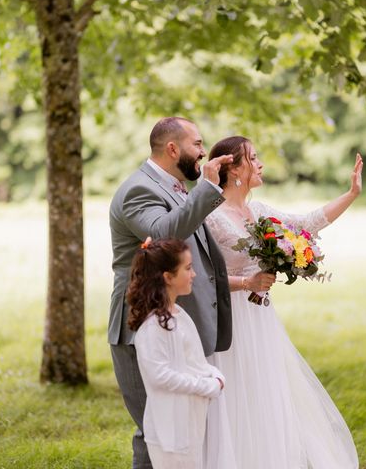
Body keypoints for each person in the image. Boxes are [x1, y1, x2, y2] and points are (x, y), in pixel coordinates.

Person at [204, 136, 363, 469]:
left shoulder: (259, 211)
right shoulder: (211, 214)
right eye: (254, 157)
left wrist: (350, 195)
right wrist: (245, 282)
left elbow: (305, 224)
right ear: (233, 167)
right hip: (230, 322)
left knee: (269, 396)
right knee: (237, 399)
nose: (260, 164)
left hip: (261, 319)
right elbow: (204, 276)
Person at [108, 117, 257, 468]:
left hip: (173, 321)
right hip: (140, 325)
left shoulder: (176, 188)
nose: (204, 152)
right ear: (173, 149)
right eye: (198, 144)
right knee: (154, 429)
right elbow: (164, 236)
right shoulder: (138, 190)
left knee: (182, 428)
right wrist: (207, 187)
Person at [127, 237, 227, 469]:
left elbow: (193, 360)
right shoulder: (154, 326)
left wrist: (214, 374)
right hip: (169, 430)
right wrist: (207, 386)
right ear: (168, 277)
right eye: (188, 268)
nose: (194, 275)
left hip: (189, 419)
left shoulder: (178, 314)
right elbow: (160, 376)